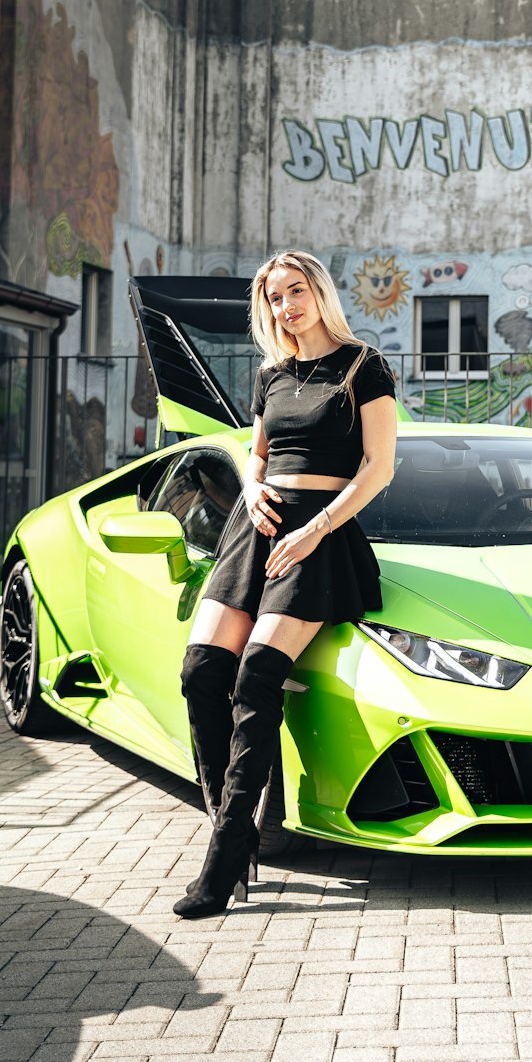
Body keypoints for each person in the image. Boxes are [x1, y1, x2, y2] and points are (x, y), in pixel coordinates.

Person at [173, 251, 397, 919]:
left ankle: (222, 860)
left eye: (295, 291)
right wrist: (252, 486)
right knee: (202, 670)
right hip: (258, 525)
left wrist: (316, 529)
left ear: (320, 293)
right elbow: (258, 451)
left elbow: (378, 466)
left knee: (257, 677)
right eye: (273, 298)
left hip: (320, 536)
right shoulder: (273, 376)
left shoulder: (364, 366)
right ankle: (232, 830)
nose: (285, 307)